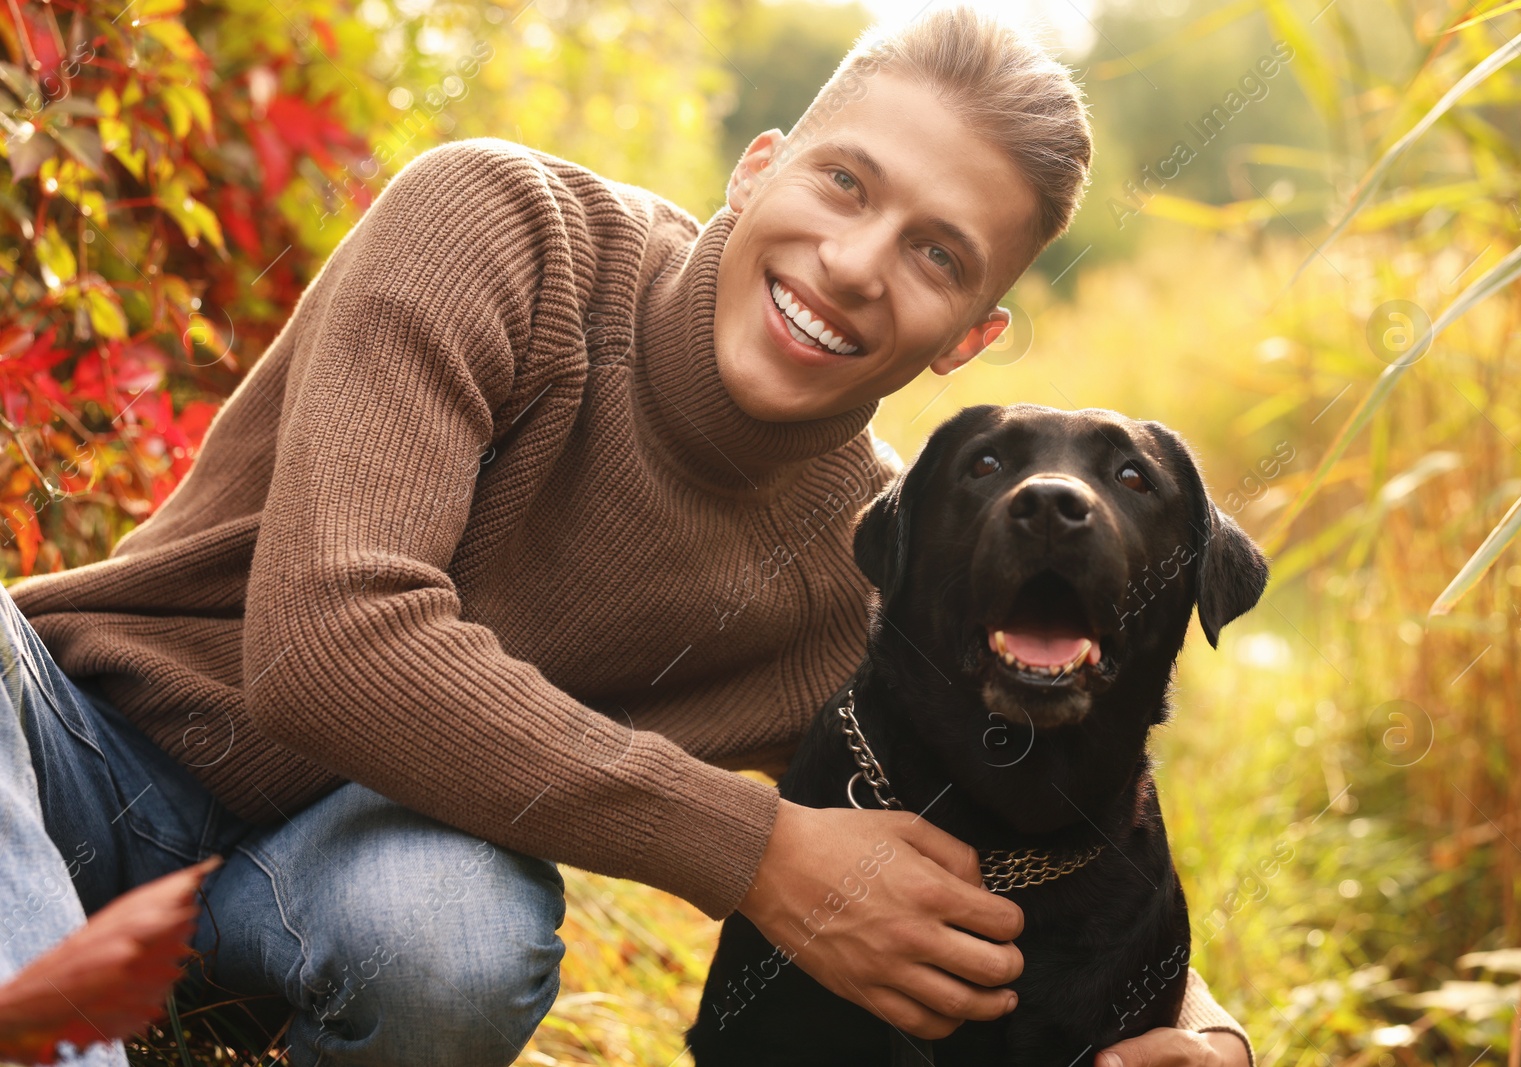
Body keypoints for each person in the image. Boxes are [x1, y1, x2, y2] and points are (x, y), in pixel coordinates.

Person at [3, 6, 1255, 1066]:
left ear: (967, 339)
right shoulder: (501, 227)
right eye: (843, 182)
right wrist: (756, 850)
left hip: (327, 875)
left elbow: (1047, 829)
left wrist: (1206, 1033)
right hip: (71, 744)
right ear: (758, 165)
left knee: (464, 934)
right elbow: (330, 641)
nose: (854, 261)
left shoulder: (875, 561)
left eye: (935, 255)